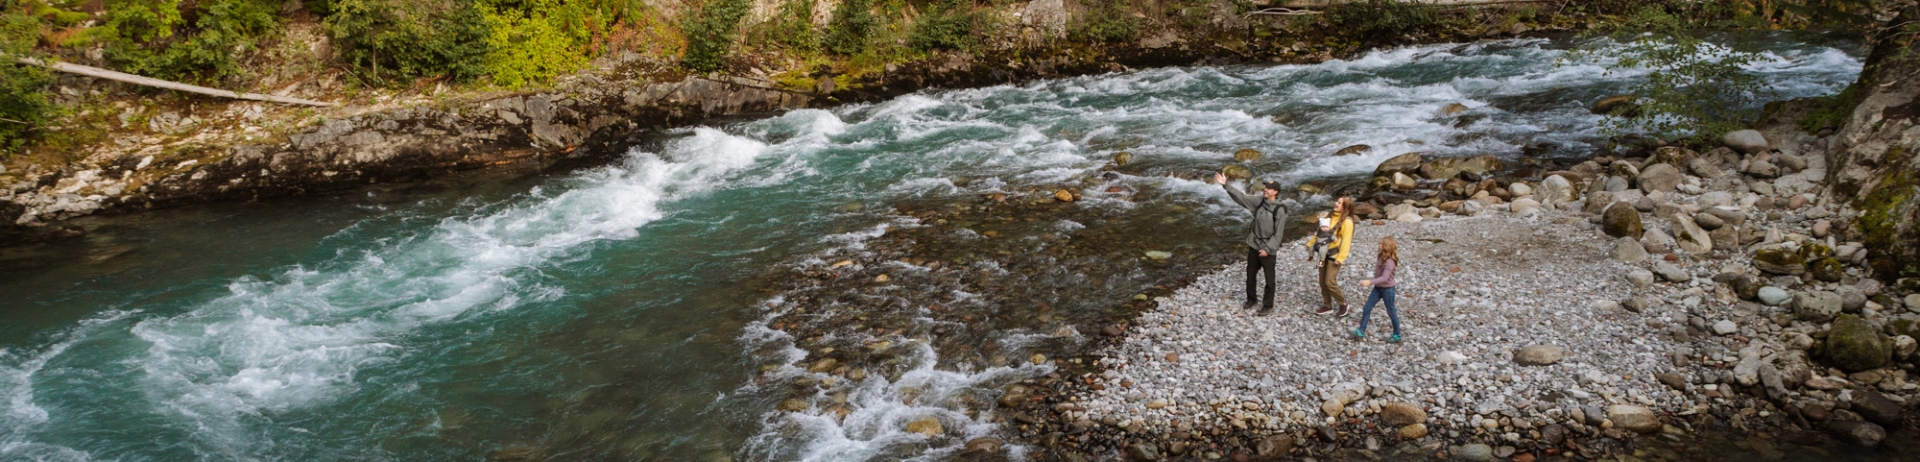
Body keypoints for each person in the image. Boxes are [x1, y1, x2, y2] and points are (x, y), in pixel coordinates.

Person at [1215, 172, 1293, 316]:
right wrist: (1226, 185)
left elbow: (1278, 234)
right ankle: (1251, 299)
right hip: (1254, 244)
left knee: (1269, 279)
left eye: (1269, 188)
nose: (1265, 189)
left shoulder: (1280, 210)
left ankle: (1267, 305)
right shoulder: (1259, 201)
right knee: (1250, 275)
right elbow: (1242, 198)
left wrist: (1268, 249)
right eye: (1265, 187)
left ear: (1275, 192)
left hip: (1267, 249)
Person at [1306, 197, 1355, 317]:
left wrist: (1341, 258)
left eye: (1339, 203)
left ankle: (1343, 303)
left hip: (1334, 256)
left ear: (1345, 207)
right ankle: (1327, 306)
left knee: (1330, 281)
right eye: (1336, 201)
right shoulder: (1330, 217)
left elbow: (1346, 241)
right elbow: (1320, 233)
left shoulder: (1347, 222)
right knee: (1322, 281)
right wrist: (1310, 243)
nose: (1335, 203)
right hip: (1323, 256)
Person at [1353, 235, 1403, 342]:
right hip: (1378, 288)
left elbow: (1385, 278)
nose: (1378, 245)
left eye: (1380, 243)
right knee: (1367, 308)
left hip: (1388, 290)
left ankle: (1397, 334)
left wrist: (1369, 281)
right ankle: (1361, 331)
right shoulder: (1381, 257)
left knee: (1391, 312)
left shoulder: (1389, 262)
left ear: (1386, 247)